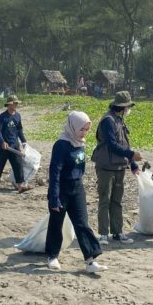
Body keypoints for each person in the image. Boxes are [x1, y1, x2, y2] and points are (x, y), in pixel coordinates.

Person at [46, 111, 107, 273]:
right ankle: (52, 256)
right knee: (56, 223)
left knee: (82, 223)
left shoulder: (80, 143)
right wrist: (54, 197)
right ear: (73, 127)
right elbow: (54, 173)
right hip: (61, 189)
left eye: (87, 129)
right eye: (82, 129)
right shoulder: (61, 145)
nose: (84, 133)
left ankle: (90, 260)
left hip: (77, 188)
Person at [92, 90, 143, 245]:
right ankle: (103, 234)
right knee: (104, 200)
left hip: (120, 167)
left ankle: (118, 232)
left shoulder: (119, 120)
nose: (128, 109)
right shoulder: (108, 120)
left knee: (117, 201)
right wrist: (131, 154)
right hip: (106, 167)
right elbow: (112, 145)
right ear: (122, 107)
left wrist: (133, 164)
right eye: (127, 106)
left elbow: (124, 143)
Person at [0, 94, 29, 193]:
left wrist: (24, 141)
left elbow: (19, 130)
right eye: (14, 103)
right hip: (3, 147)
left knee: (18, 165)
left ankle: (20, 186)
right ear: (9, 104)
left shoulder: (18, 116)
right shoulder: (2, 117)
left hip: (14, 146)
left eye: (17, 103)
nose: (16, 104)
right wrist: (2, 142)